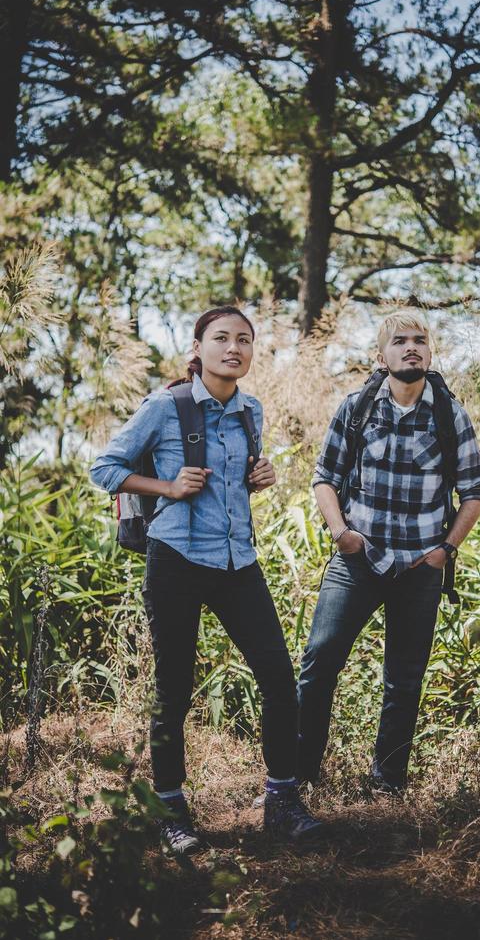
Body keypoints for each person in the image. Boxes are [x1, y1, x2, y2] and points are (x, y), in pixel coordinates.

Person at [90, 306, 321, 855]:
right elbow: (103, 468)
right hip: (176, 560)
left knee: (279, 680)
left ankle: (281, 801)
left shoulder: (251, 411)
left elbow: (237, 482)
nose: (233, 348)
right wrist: (166, 487)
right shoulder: (163, 407)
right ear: (197, 347)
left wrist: (258, 477)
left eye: (244, 339)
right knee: (173, 690)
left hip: (239, 563)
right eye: (221, 338)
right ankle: (169, 808)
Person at [297, 311, 480, 793]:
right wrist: (341, 532)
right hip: (357, 562)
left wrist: (446, 549)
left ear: (429, 352)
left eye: (419, 341)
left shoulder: (448, 414)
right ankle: (298, 775)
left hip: (421, 568)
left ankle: (387, 785)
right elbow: (324, 478)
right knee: (319, 662)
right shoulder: (358, 407)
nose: (411, 348)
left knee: (403, 682)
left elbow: (476, 491)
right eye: (399, 341)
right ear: (380, 356)